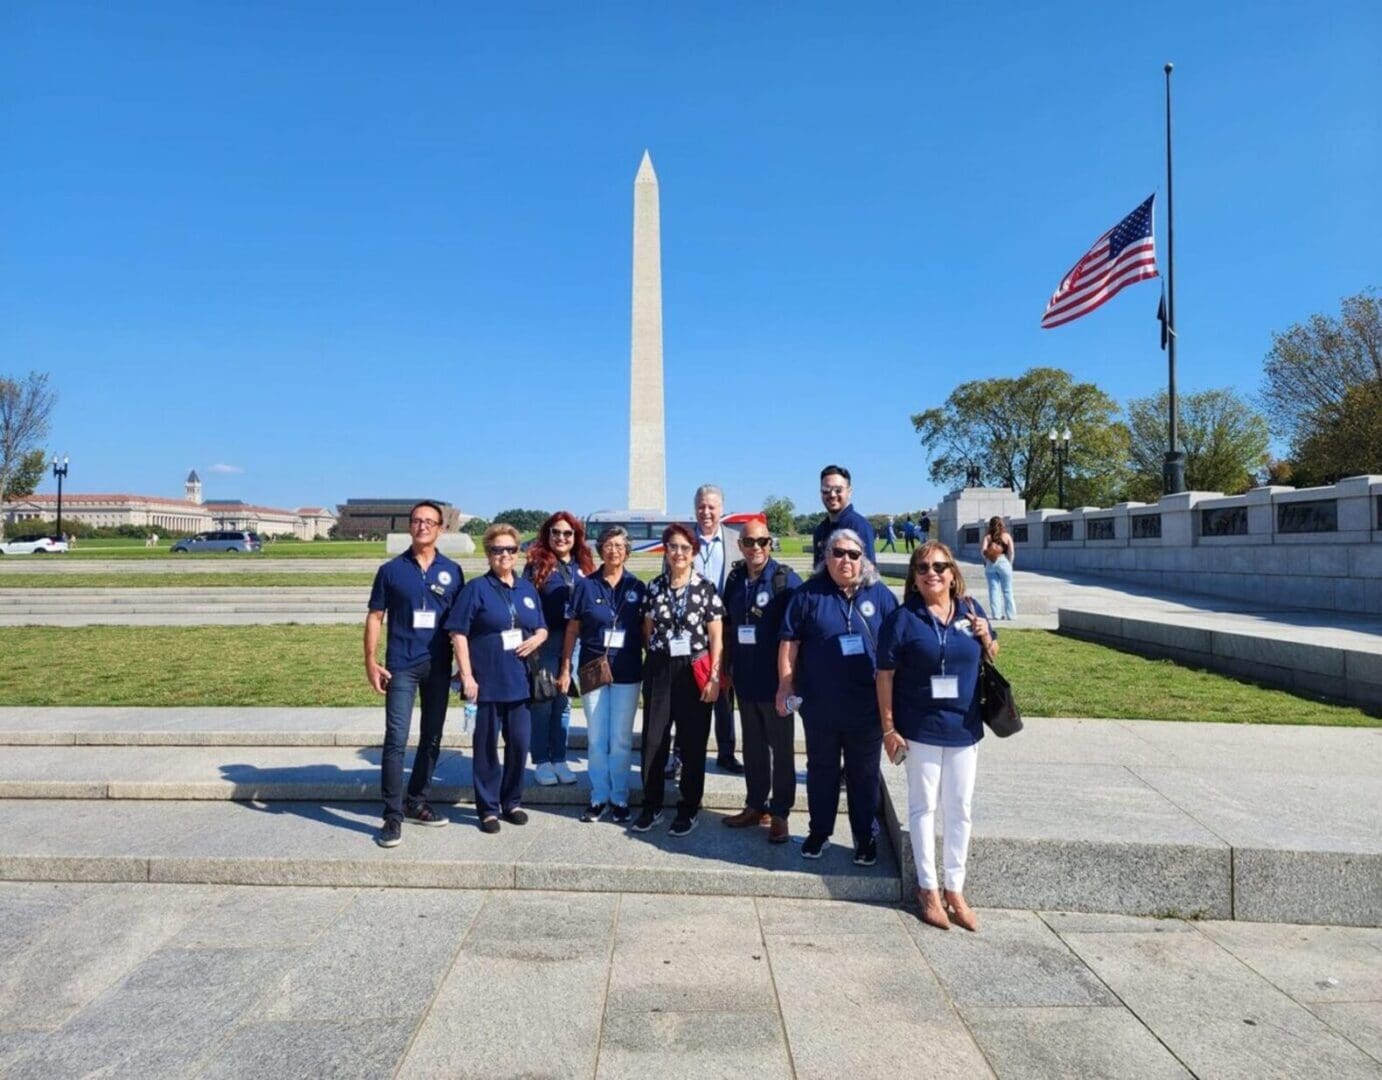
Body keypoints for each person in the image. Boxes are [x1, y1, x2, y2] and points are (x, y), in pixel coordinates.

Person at [876, 541, 997, 932]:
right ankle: (927, 889)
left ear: (953, 573)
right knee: (923, 808)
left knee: (959, 809)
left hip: (964, 727)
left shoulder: (971, 610)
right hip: (921, 729)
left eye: (941, 566)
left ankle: (955, 888)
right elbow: (885, 675)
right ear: (914, 575)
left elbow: (992, 655)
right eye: (924, 567)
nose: (933, 573)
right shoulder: (903, 619)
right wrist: (889, 727)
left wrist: (985, 638)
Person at [777, 527, 897, 865]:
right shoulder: (808, 595)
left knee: (864, 774)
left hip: (867, 708)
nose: (846, 560)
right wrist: (785, 686)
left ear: (864, 558)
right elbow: (790, 643)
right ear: (826, 557)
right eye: (838, 553)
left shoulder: (882, 596)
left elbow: (898, 650)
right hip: (820, 706)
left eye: (853, 554)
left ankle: (864, 836)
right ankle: (820, 833)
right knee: (821, 771)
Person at [364, 500, 465, 848]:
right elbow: (376, 616)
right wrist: (370, 660)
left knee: (432, 737)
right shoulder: (391, 570)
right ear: (410, 526)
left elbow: (460, 625)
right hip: (402, 664)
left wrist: (465, 669)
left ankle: (416, 799)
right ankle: (392, 816)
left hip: (438, 665)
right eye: (417, 521)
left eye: (429, 521)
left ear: (441, 528)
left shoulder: (453, 571)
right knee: (396, 738)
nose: (422, 526)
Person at [447, 523, 547, 834]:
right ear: (488, 554)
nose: (504, 555)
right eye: (497, 550)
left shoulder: (527, 589)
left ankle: (512, 801)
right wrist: (466, 675)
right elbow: (458, 632)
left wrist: (539, 638)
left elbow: (541, 625)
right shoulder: (476, 589)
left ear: (519, 553)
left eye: (510, 549)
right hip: (487, 681)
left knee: (519, 743)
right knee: (486, 747)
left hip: (520, 682)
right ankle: (488, 809)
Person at [636, 522, 725, 837]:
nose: (678, 553)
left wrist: (714, 677)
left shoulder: (705, 588)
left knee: (692, 742)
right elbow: (646, 630)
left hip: (694, 669)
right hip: (661, 667)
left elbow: (716, 637)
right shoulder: (655, 586)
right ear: (665, 550)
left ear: (693, 553)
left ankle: (689, 807)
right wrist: (658, 655)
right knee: (653, 739)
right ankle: (652, 804)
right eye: (672, 547)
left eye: (685, 548)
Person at [721, 518, 802, 843]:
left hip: (777, 681)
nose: (756, 548)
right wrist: (725, 668)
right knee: (753, 747)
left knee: (782, 750)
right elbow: (727, 625)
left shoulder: (785, 580)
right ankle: (756, 805)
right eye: (750, 542)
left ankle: (780, 814)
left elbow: (797, 634)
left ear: (771, 544)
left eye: (762, 542)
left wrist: (791, 681)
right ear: (740, 545)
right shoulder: (736, 578)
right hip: (745, 676)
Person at [560, 525, 645, 825]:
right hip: (593, 668)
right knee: (597, 737)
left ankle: (619, 797)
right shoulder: (585, 586)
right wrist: (565, 667)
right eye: (608, 544)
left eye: (620, 545)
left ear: (627, 551)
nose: (614, 550)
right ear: (600, 549)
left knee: (621, 738)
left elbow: (646, 632)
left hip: (628, 670)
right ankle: (598, 796)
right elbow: (573, 628)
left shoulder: (637, 587)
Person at [524, 512, 594, 786]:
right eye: (556, 532)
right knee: (543, 701)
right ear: (547, 534)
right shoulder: (537, 565)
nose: (561, 538)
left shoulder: (583, 565)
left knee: (563, 703)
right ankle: (541, 760)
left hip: (575, 641)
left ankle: (559, 758)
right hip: (547, 640)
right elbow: (527, 605)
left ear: (576, 536)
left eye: (568, 533)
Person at [692, 483, 742, 774]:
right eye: (701, 506)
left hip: (728, 627)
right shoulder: (684, 540)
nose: (706, 512)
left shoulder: (736, 540)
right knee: (689, 691)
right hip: (693, 629)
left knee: (724, 690)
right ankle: (682, 752)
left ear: (721, 508)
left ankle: (726, 751)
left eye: (712, 506)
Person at [812, 465, 877, 566]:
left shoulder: (859, 526)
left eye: (838, 490)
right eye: (826, 490)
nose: (832, 495)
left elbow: (869, 573)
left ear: (849, 492)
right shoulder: (820, 530)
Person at [981, 515, 1017, 620]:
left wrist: (987, 561)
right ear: (1002, 525)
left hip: (990, 564)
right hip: (1003, 562)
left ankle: (996, 615)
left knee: (993, 590)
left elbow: (983, 551)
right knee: (1007, 590)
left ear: (990, 525)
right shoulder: (1007, 536)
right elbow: (1011, 552)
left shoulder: (987, 537)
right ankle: (1011, 615)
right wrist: (1009, 564)